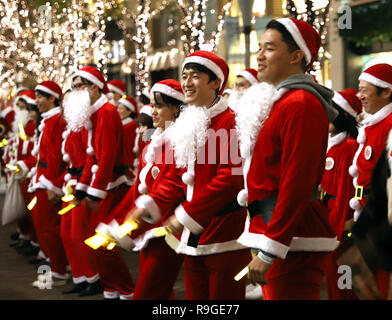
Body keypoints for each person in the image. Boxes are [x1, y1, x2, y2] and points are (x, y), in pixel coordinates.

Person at [129, 50, 250, 300]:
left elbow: (230, 179)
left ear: (215, 83)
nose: (186, 83)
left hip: (223, 236)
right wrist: (150, 205)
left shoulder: (231, 122)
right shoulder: (188, 122)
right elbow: (175, 177)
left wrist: (186, 214)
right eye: (184, 76)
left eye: (195, 76)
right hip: (192, 237)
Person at [236, 18, 339, 300]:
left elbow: (297, 183)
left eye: (269, 48)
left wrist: (271, 248)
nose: (259, 56)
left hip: (292, 241)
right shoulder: (283, 101)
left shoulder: (301, 104)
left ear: (296, 56)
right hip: (279, 234)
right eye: (259, 47)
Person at [103, 79, 185, 299]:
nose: (152, 111)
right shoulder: (152, 145)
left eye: (159, 106)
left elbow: (173, 186)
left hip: (168, 229)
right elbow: (140, 189)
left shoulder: (181, 142)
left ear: (177, 108)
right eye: (151, 104)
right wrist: (120, 220)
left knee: (148, 292)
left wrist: (142, 210)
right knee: (160, 291)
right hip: (150, 227)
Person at [71, 66, 135, 300]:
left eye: (81, 85)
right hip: (103, 185)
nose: (77, 91)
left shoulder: (106, 111)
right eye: (74, 87)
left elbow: (107, 156)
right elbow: (92, 155)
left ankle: (127, 290)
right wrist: (82, 187)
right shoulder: (94, 113)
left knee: (102, 242)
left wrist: (94, 193)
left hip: (112, 186)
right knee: (95, 242)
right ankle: (111, 289)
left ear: (95, 87)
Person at [341, 63, 392, 299]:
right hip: (367, 216)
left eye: (365, 89)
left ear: (386, 92)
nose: (360, 95)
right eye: (358, 89)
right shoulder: (374, 124)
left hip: (381, 222)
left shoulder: (389, 126)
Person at [24, 81, 70, 287]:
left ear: (53, 98)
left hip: (49, 183)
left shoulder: (57, 121)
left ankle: (58, 272)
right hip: (43, 181)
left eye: (40, 96)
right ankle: (57, 268)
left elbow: (59, 157)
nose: (37, 101)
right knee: (45, 229)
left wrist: (54, 186)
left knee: (50, 230)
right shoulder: (49, 121)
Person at [320, 88, 362, 300]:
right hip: (327, 224)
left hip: (339, 228)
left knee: (342, 281)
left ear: (344, 115)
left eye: (331, 110)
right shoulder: (330, 145)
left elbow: (345, 193)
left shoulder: (348, 147)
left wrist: (336, 233)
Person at [59, 89, 102, 296]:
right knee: (67, 234)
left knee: (79, 234)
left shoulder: (85, 126)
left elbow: (89, 158)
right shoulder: (72, 126)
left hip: (81, 184)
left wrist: (82, 187)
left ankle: (92, 277)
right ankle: (80, 276)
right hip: (72, 182)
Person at [116, 96, 138, 183]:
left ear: (129, 111)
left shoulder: (131, 126)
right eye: (118, 107)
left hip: (127, 167)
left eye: (121, 108)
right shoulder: (122, 125)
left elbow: (129, 149)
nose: (118, 110)